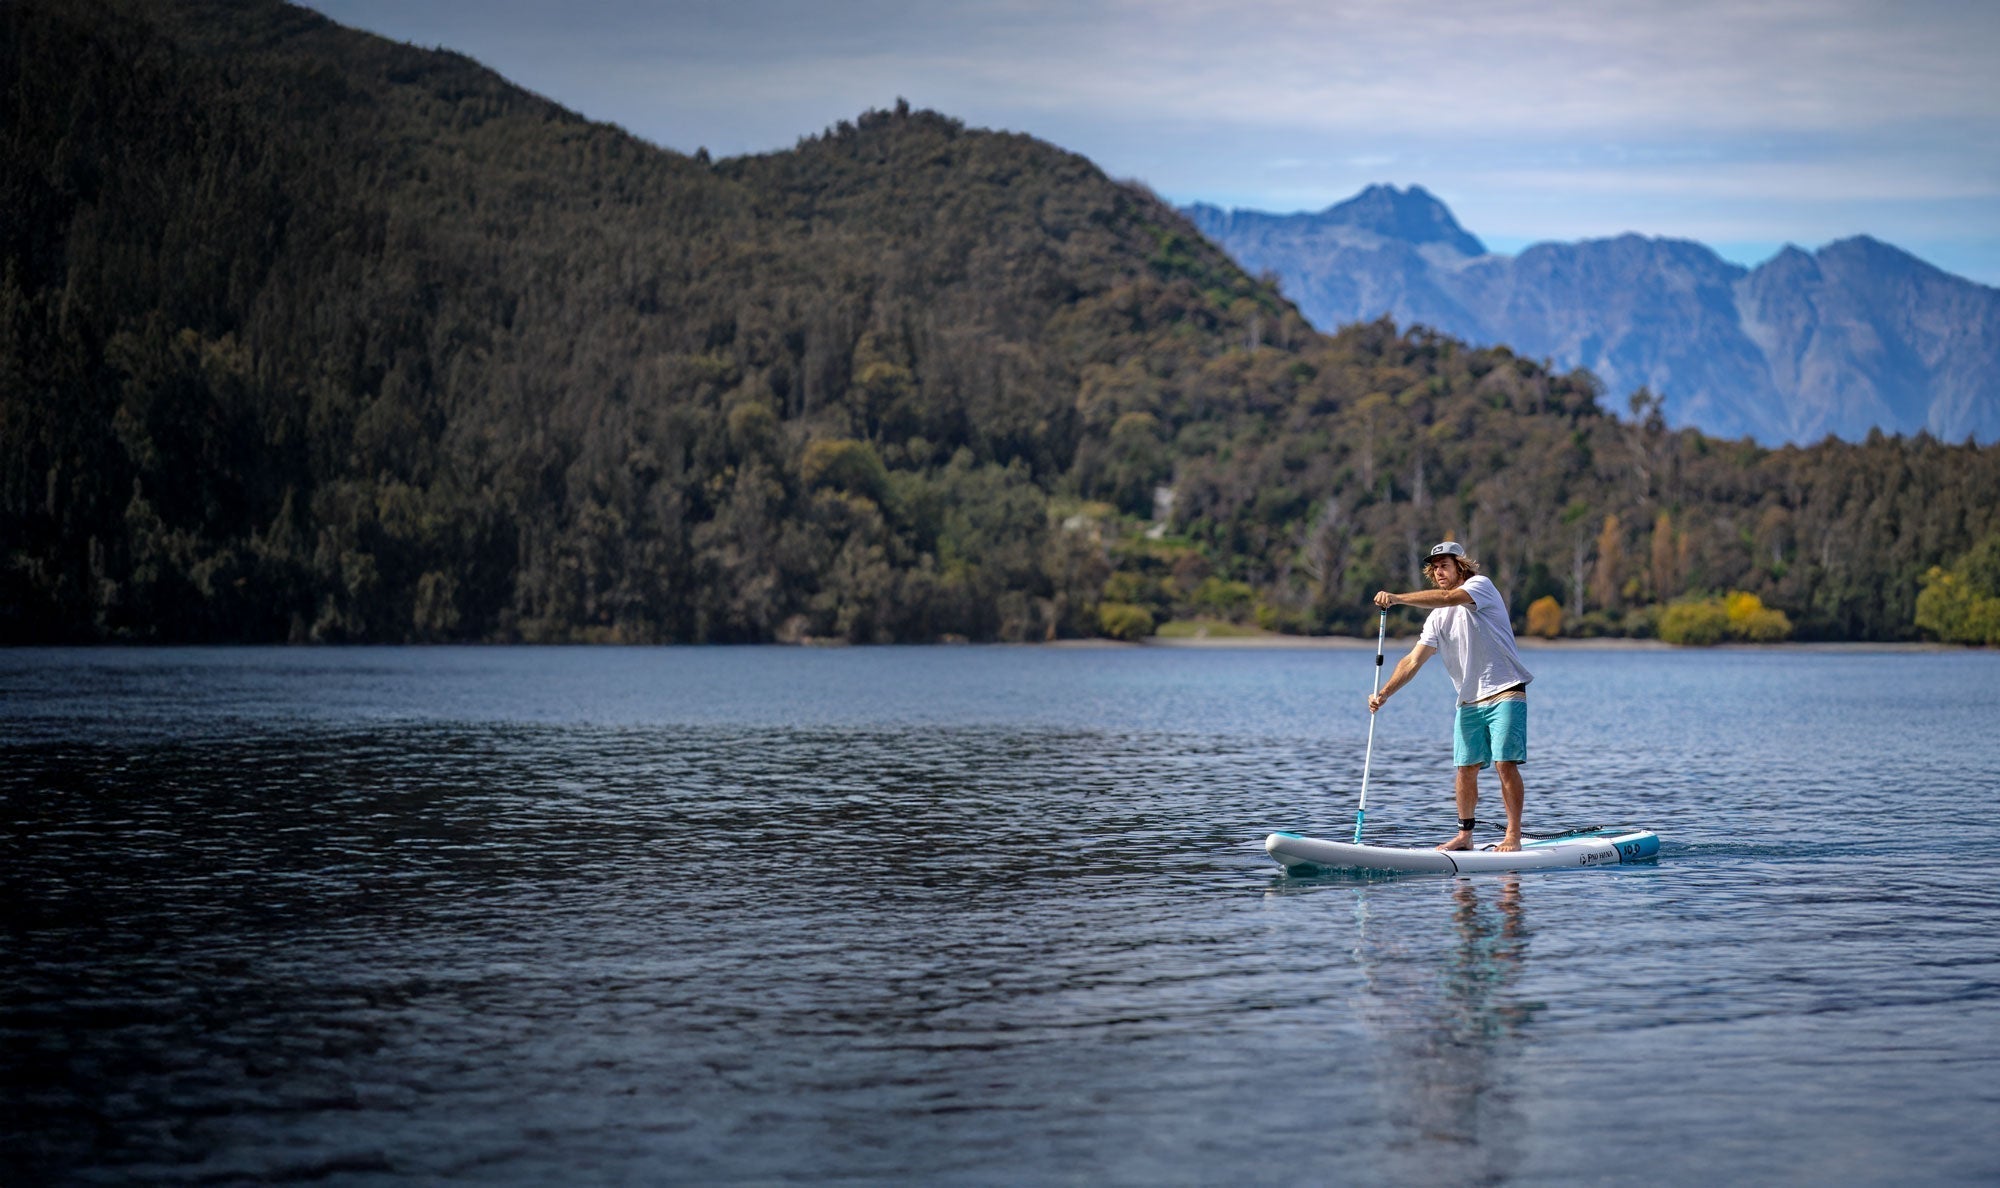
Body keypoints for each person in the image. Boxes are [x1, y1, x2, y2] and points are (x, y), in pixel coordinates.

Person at [1368, 541, 1534, 852]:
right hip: (1469, 701)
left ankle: (1513, 835)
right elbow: (1413, 660)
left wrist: (1397, 599)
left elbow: (1447, 598)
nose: (1439, 571)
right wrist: (1384, 693)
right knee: (1465, 768)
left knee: (1504, 764)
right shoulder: (1436, 619)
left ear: (1460, 566)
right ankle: (1464, 836)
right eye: (1434, 567)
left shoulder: (1479, 586)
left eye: (1445, 565)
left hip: (1505, 690)